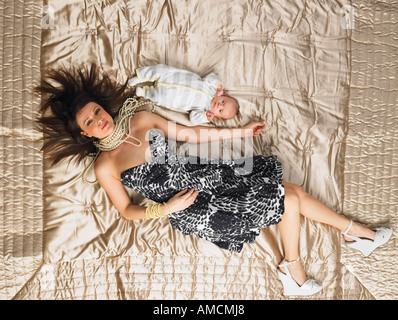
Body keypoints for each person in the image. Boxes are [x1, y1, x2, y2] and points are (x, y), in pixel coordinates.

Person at [36, 64, 393, 297]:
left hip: (207, 173)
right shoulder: (104, 166)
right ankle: (334, 244)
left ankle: (307, 260)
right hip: (192, 205)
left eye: (96, 111)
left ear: (102, 106)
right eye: (89, 122)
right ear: (85, 134)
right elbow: (127, 211)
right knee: (288, 196)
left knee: (292, 193)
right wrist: (165, 208)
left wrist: (239, 131)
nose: (99, 120)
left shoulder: (141, 119)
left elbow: (190, 134)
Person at [128, 64, 239, 125]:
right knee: (160, 70)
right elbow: (211, 76)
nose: (219, 105)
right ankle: (140, 77)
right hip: (175, 76)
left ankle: (144, 92)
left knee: (158, 97)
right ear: (224, 95)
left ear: (217, 116)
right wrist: (218, 85)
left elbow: (193, 118)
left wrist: (205, 117)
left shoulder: (204, 109)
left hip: (171, 96)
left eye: (220, 110)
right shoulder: (211, 88)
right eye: (223, 102)